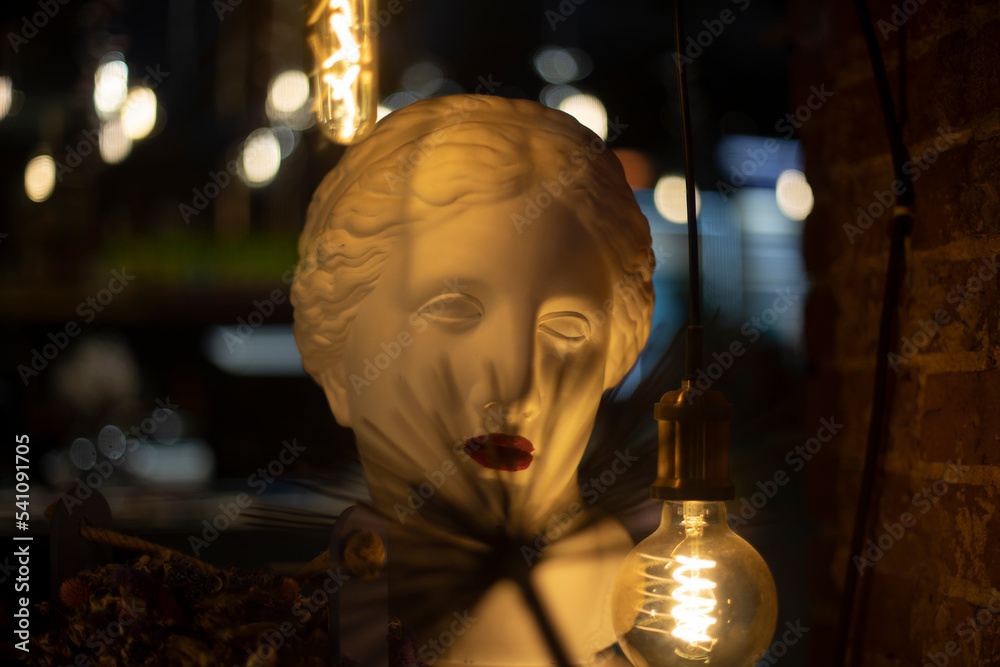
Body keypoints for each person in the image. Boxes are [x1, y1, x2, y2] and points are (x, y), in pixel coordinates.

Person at [291, 94, 654, 666]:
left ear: (616, 359)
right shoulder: (320, 607)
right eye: (452, 309)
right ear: (339, 364)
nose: (515, 387)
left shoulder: (630, 617)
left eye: (566, 328)